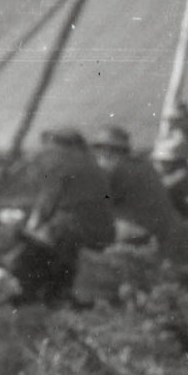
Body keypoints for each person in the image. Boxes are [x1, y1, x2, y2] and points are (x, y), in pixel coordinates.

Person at [91, 126, 188, 273]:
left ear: (108, 151)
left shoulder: (116, 170)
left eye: (100, 150)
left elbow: (99, 203)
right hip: (171, 235)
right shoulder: (142, 165)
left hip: (148, 239)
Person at [21, 128, 114, 302]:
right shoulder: (93, 164)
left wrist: (30, 229)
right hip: (104, 231)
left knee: (33, 247)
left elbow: (46, 204)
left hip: (74, 231)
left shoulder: (60, 165)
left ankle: (34, 294)